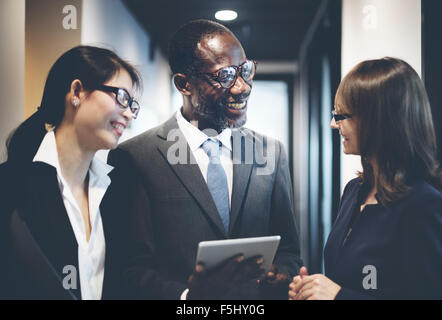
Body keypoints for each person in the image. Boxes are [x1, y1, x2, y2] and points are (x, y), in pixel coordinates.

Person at [108, 19, 302, 300]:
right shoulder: (136, 158)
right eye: (225, 77)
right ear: (184, 84)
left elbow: (289, 251)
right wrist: (189, 297)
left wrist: (283, 273)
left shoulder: (271, 153)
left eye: (245, 71)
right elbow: (130, 269)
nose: (242, 87)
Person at [288, 57, 442, 300]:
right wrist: (311, 290)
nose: (333, 124)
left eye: (342, 116)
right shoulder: (354, 190)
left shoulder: (424, 204)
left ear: (379, 120)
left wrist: (337, 296)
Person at [0, 45, 142, 299]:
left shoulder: (115, 189)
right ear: (77, 91)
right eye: (121, 97)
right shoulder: (12, 185)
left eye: (132, 104)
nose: (129, 113)